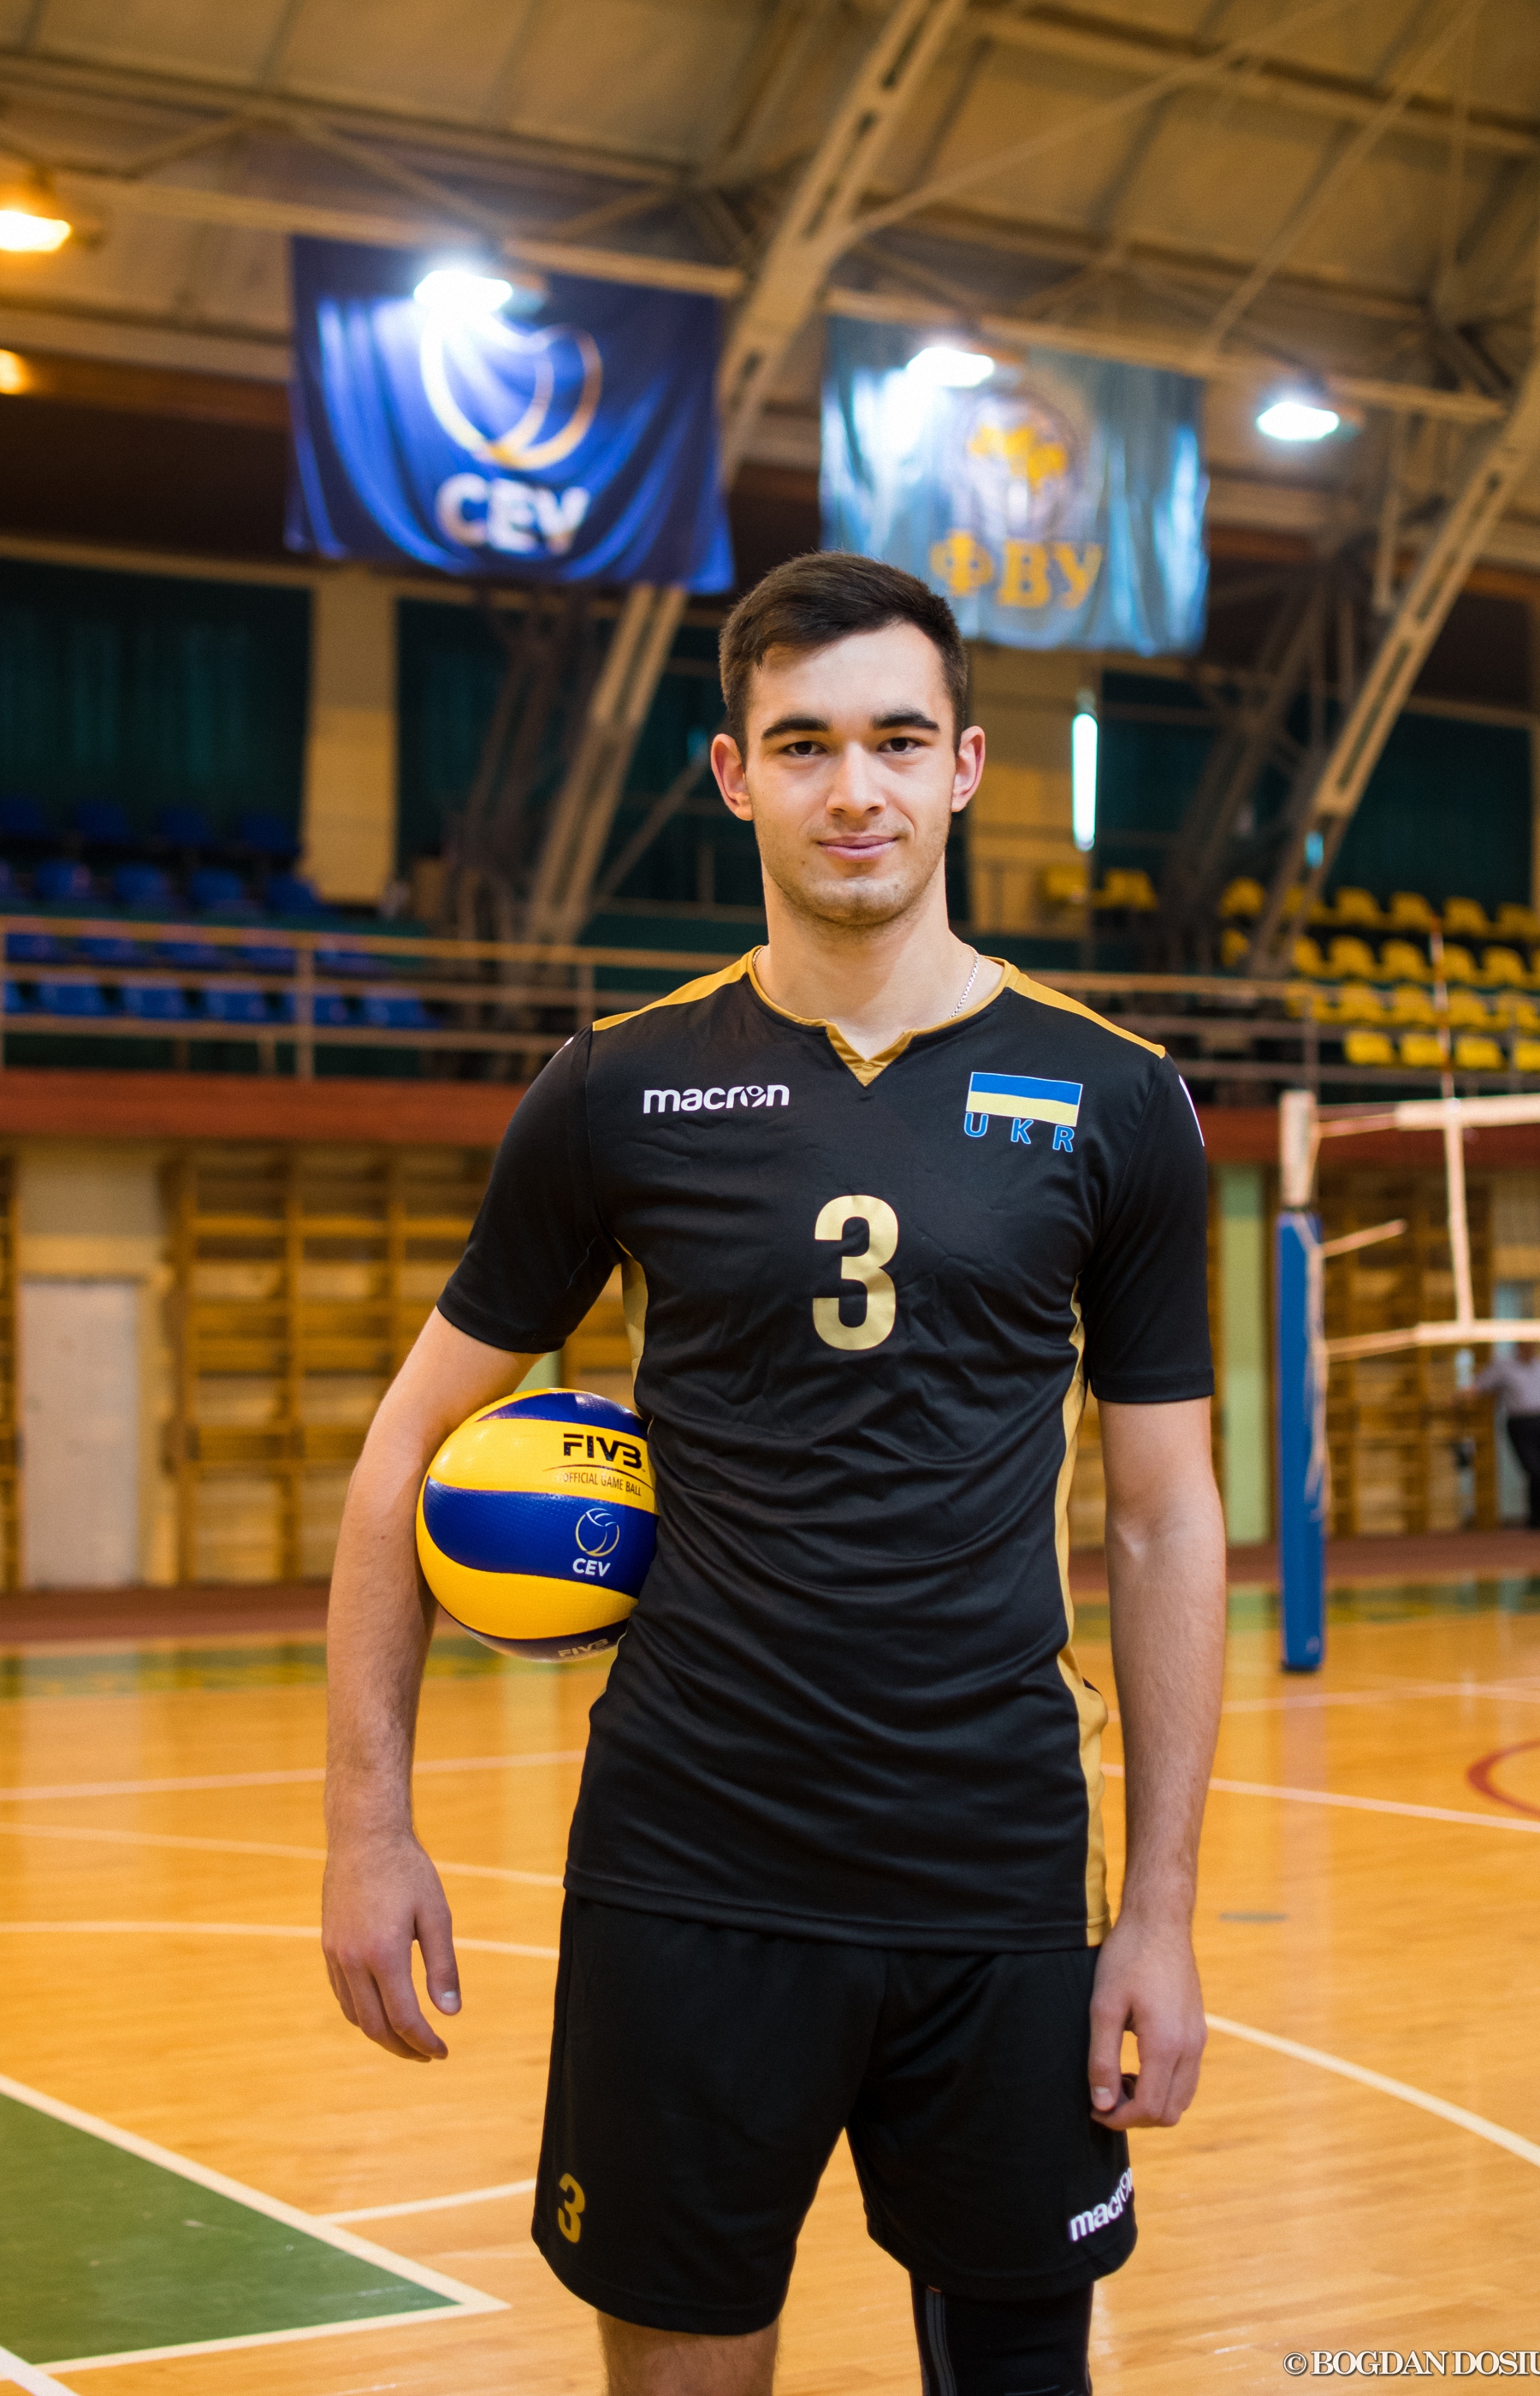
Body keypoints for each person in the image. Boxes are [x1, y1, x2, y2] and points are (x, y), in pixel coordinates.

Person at [323, 552, 1227, 2396]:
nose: (855, 788)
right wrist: (367, 1827)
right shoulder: (619, 1088)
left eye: (897, 738)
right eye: (803, 744)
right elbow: (401, 1447)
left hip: (996, 1872)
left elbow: (1163, 1516)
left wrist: (1159, 1911)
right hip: (689, 1865)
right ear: (733, 775)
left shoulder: (1118, 1097)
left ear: (967, 763)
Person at [1468, 1342, 1540, 1526]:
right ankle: (1535, 1518)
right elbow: (1481, 1386)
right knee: (1533, 1469)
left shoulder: (1538, 1366)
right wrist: (1465, 1394)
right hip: (1520, 1423)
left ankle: (1535, 1517)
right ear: (1519, 1346)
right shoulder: (1504, 1366)